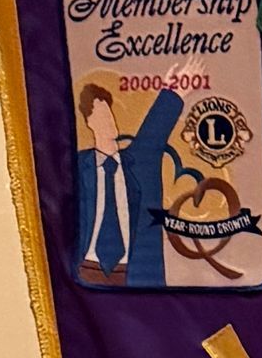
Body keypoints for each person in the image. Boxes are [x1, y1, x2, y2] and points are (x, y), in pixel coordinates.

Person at [73, 79, 182, 287]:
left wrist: (175, 90)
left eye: (109, 113)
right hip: (85, 273)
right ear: (89, 122)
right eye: (101, 115)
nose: (109, 120)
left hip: (132, 276)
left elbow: (155, 131)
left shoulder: (138, 162)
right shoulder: (77, 167)